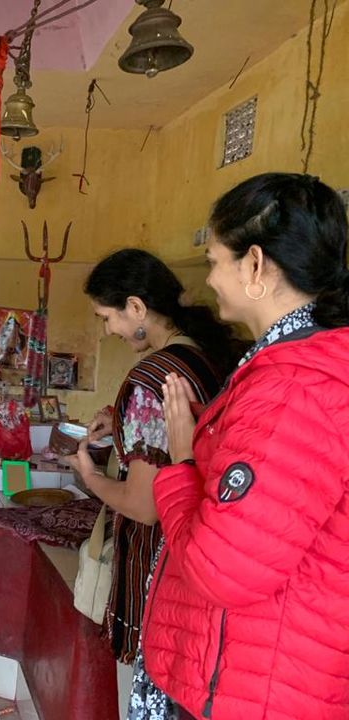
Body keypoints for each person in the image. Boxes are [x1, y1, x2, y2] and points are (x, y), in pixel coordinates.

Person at [143, 173, 349, 720]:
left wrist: (183, 461)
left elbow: (221, 568)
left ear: (255, 265)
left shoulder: (295, 388)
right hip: (257, 674)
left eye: (213, 261)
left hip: (258, 689)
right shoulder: (288, 369)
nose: (207, 280)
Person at [70, 249, 240, 720]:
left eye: (108, 318)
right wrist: (118, 421)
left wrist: (90, 477)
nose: (109, 330)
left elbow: (142, 505)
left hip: (159, 563)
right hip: (202, 556)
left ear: (136, 308)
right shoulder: (205, 359)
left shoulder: (151, 379)